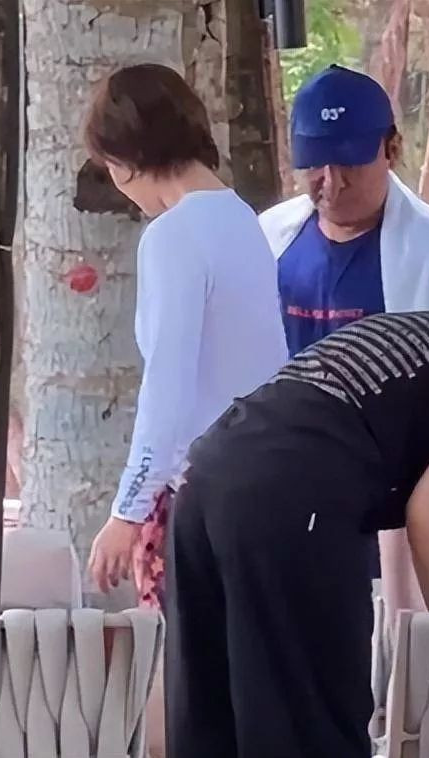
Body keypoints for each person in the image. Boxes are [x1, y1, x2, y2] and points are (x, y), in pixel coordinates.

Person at [166, 263, 429, 758]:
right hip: (294, 496)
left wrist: (405, 618)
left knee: (211, 716)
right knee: (313, 724)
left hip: (207, 477)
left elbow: (402, 500)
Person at [260, 63, 429, 591]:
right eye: (315, 166)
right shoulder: (269, 239)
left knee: (392, 634)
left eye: (350, 164)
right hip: (283, 501)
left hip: (389, 517)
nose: (332, 184)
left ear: (391, 149)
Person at [84, 64, 287, 606]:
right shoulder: (242, 221)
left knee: (183, 651)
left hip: (200, 492)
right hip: (264, 482)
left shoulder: (172, 236)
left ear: (125, 160)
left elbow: (167, 387)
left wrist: (128, 510)